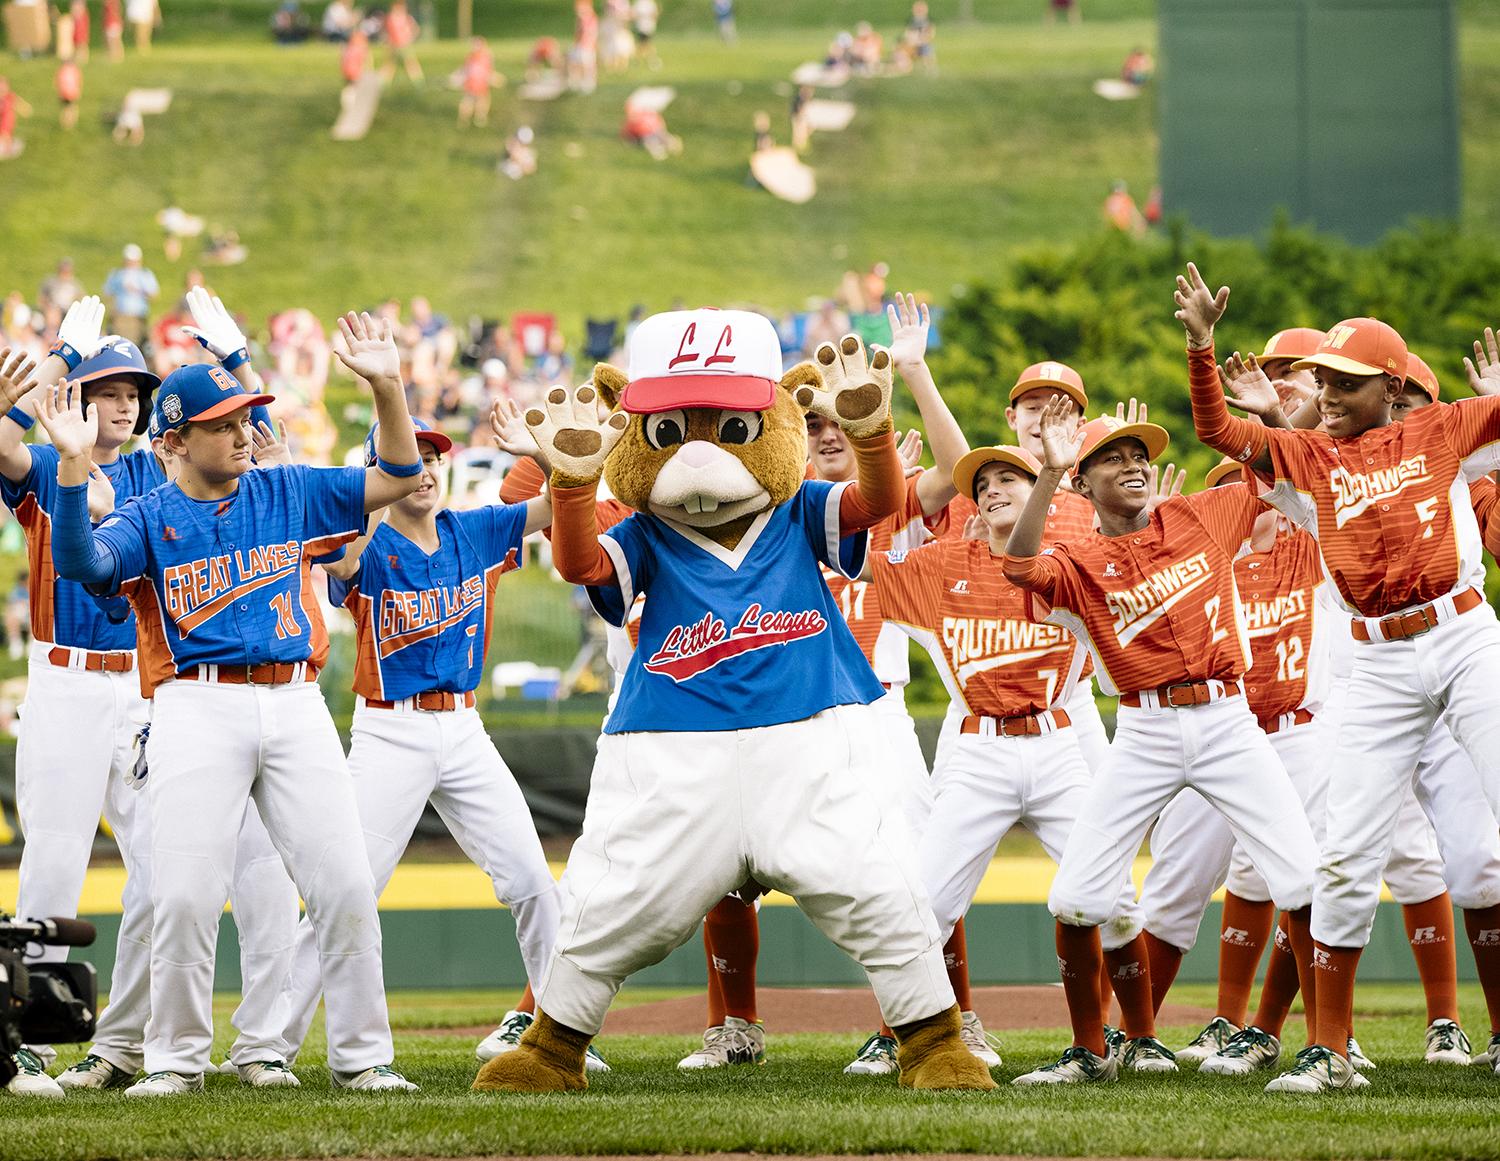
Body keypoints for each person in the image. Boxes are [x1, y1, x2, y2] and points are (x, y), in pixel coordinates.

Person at [38, 311, 424, 1096]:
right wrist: (74, 471)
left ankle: (362, 1055)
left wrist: (387, 385)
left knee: (345, 882)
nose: (244, 433)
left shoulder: (286, 488)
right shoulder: (146, 516)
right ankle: (175, 1057)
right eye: (222, 425)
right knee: (180, 894)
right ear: (174, 442)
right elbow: (81, 561)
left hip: (294, 702)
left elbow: (393, 474)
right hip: (193, 705)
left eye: (246, 417)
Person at [1176, 261, 1500, 1092]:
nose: (1326, 391)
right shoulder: (1311, 459)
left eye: (1345, 380)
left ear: (1392, 388)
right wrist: (1202, 347)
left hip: (1462, 634)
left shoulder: (1439, 430)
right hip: (1378, 661)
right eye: (1322, 378)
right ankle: (1328, 1049)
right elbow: (1219, 432)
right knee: (1348, 853)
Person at [1001, 402, 1322, 1084]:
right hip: (1143, 729)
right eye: (1114, 457)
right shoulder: (1078, 560)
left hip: (1228, 719)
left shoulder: (1200, 515)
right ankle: (1092, 1050)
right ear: (1082, 484)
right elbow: (1021, 568)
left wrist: (1272, 410)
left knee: (1303, 877)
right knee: (1075, 898)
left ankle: (1328, 1046)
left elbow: (1271, 464)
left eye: (1140, 454)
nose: (1135, 463)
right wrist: (1050, 471)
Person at [277, 406, 601, 1070]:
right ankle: (268, 1045)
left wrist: (542, 452)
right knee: (348, 889)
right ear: (380, 471)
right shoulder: (367, 544)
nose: (423, 469)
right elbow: (338, 565)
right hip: (389, 728)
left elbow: (556, 504)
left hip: (463, 726)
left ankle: (560, 1035)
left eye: (430, 458)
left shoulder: (474, 530)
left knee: (535, 881)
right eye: (408, 458)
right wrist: (367, 489)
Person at [0, 304, 163, 1098]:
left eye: (136, 390)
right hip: (64, 677)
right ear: (79, 397)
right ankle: (26, 1041)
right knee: (54, 861)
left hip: (139, 682)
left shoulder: (150, 473)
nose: (127, 403)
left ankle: (131, 1043)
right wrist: (58, 358)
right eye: (111, 389)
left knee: (165, 865)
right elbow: (3, 444)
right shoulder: (39, 461)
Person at [102, 245, 159, 348]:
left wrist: (139, 288)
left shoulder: (145, 275)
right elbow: (107, 292)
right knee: (120, 345)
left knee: (136, 345)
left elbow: (153, 294)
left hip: (138, 317)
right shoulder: (117, 274)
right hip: (120, 316)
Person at [458, 38, 502, 128]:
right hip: (479, 86)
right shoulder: (484, 58)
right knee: (480, 102)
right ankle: (479, 118)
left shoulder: (470, 58)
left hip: (471, 85)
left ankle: (466, 120)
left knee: (469, 102)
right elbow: (488, 73)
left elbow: (465, 71)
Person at [381, 0, 422, 85]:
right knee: (390, 65)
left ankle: (418, 82)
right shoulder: (391, 19)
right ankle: (384, 82)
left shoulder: (406, 18)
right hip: (394, 45)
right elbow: (387, 32)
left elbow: (416, 29)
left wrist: (409, 38)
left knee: (410, 63)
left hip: (404, 45)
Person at [0, 78, 34, 160]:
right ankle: (7, 151)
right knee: (5, 136)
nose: (3, 89)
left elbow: (22, 106)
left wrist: (25, 109)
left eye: (4, 86)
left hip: (8, 121)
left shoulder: (10, 97)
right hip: (3, 121)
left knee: (6, 135)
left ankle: (7, 152)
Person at [55, 58, 82, 131]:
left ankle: (64, 123)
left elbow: (58, 82)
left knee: (65, 108)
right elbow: (78, 81)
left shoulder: (62, 70)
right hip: (71, 93)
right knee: (72, 108)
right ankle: (71, 122)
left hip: (63, 93)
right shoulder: (74, 70)